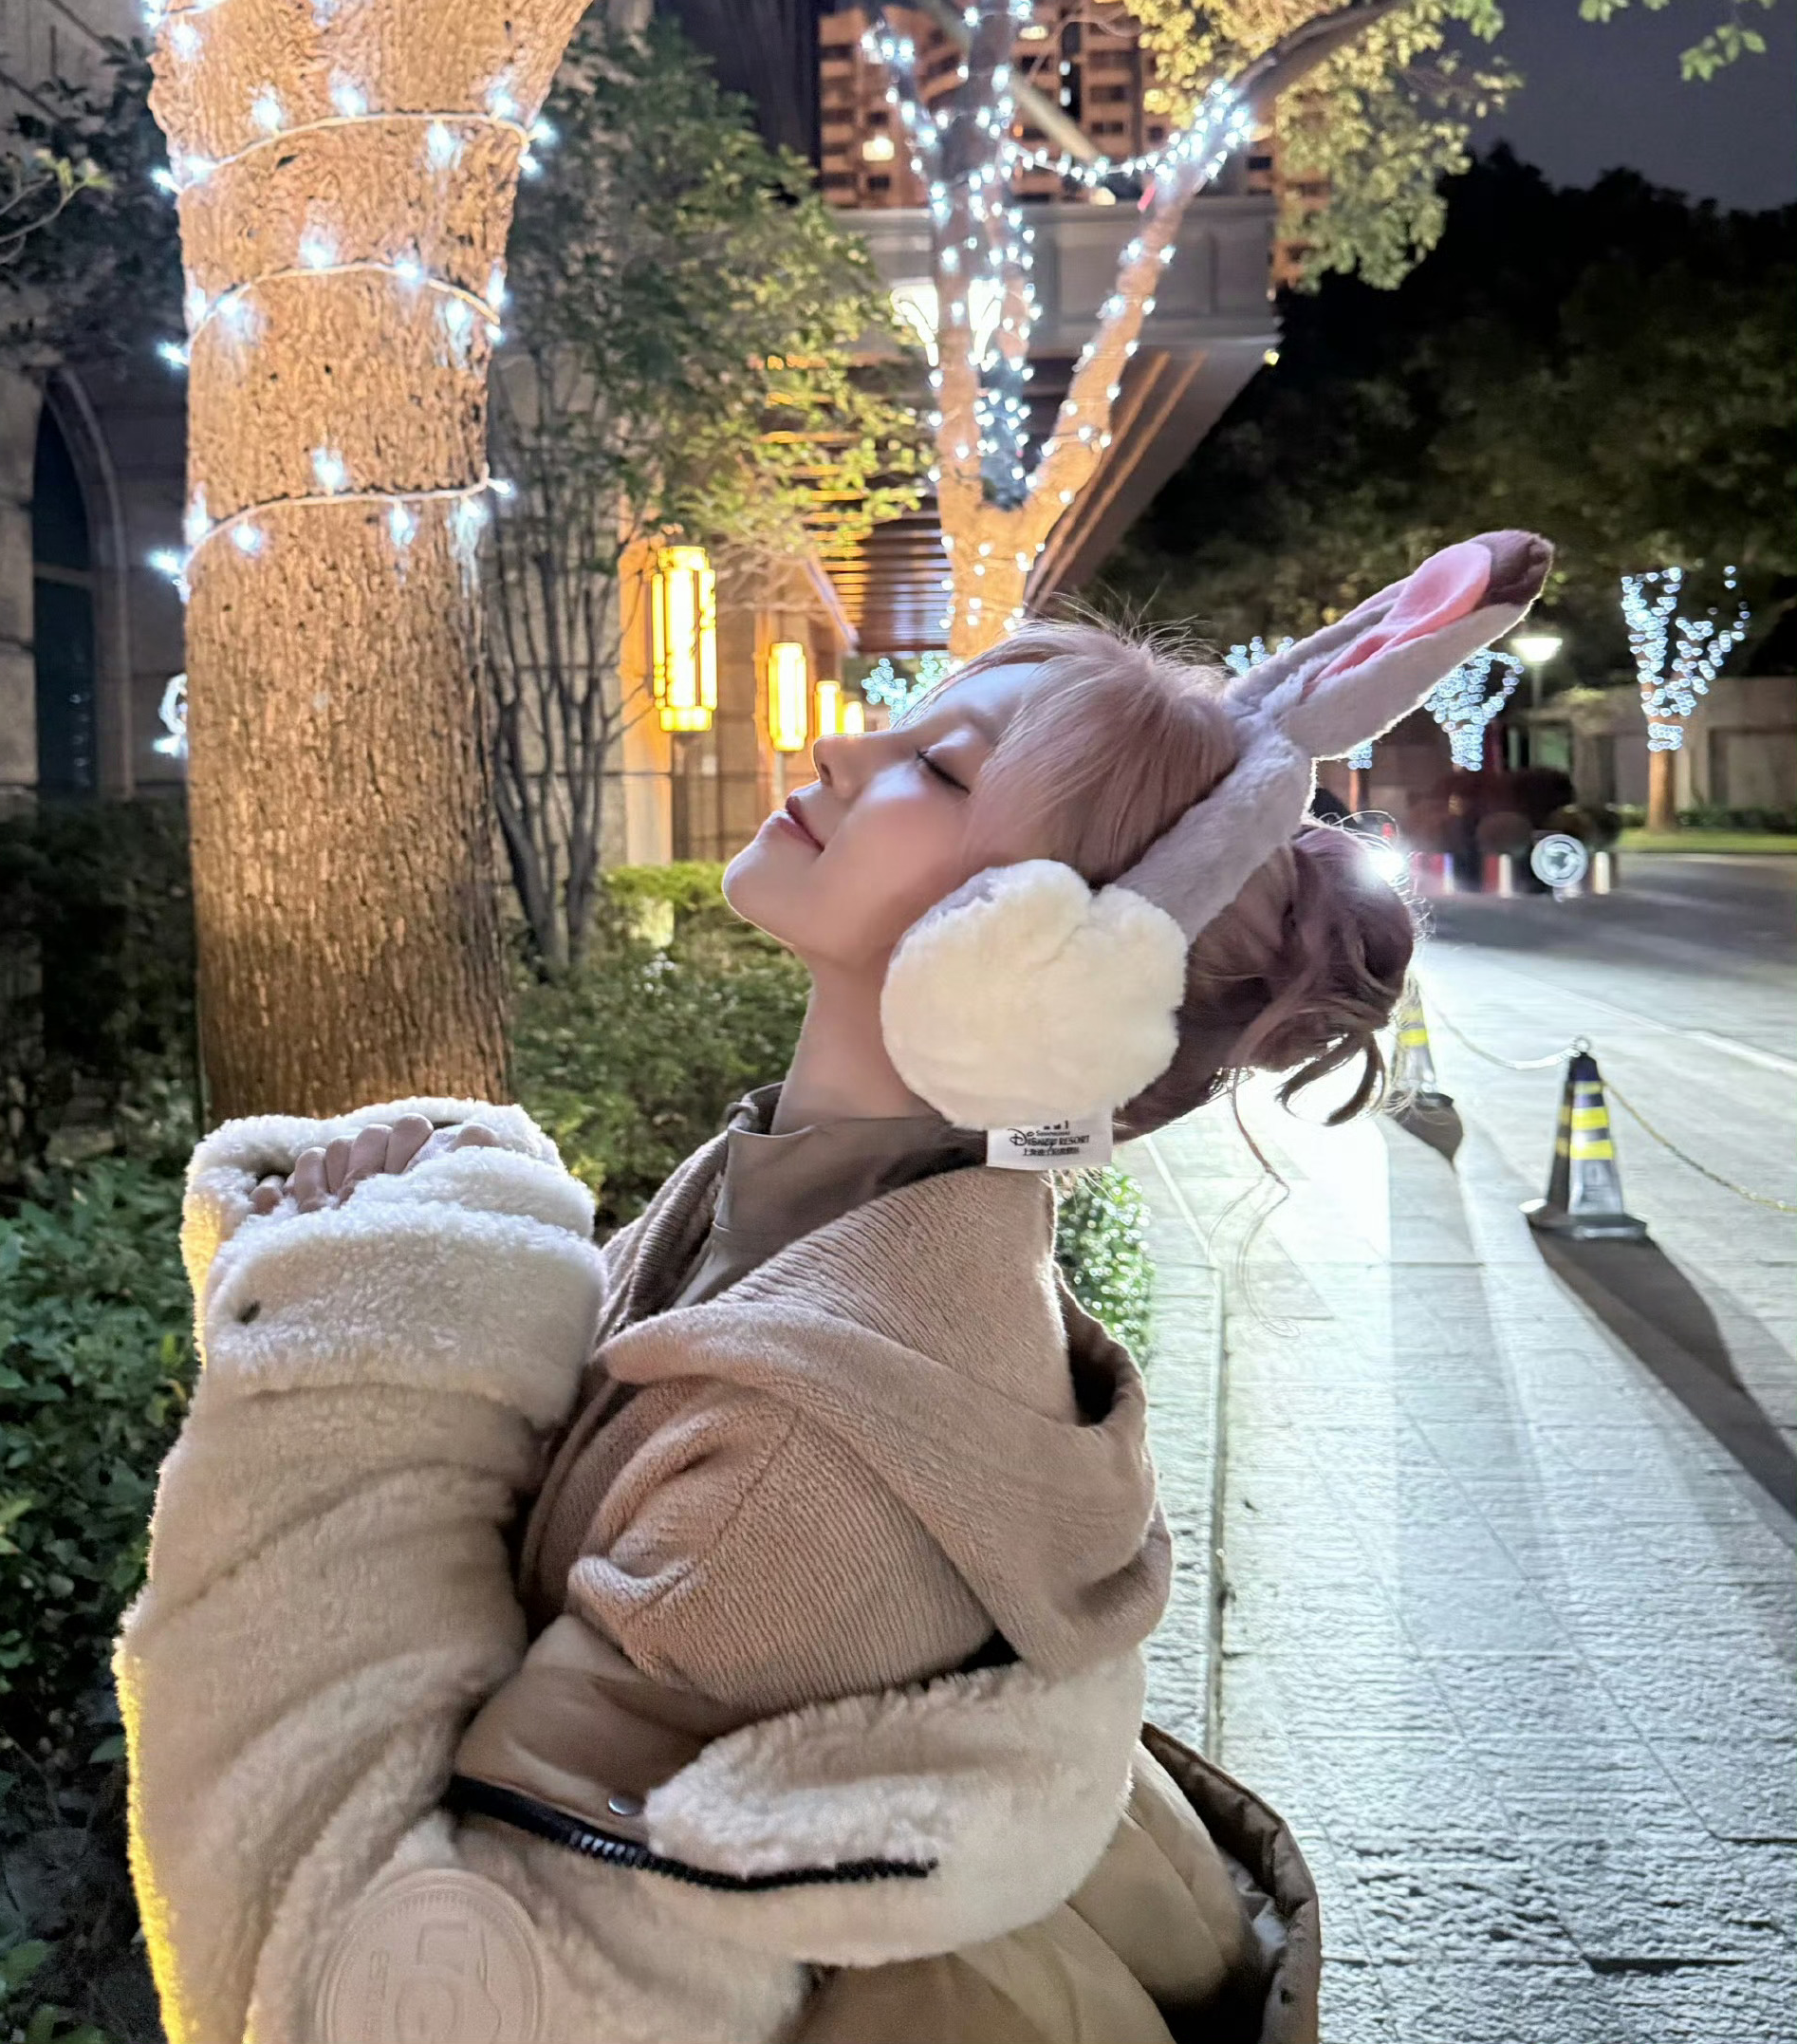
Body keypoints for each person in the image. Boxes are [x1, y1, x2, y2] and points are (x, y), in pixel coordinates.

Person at [116, 533, 1549, 2044]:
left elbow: (392, 1999)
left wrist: (353, 1357)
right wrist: (442, 1252)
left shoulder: (813, 1463)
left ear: (1038, 959)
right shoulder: (795, 1210)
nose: (838, 746)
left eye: (936, 769)